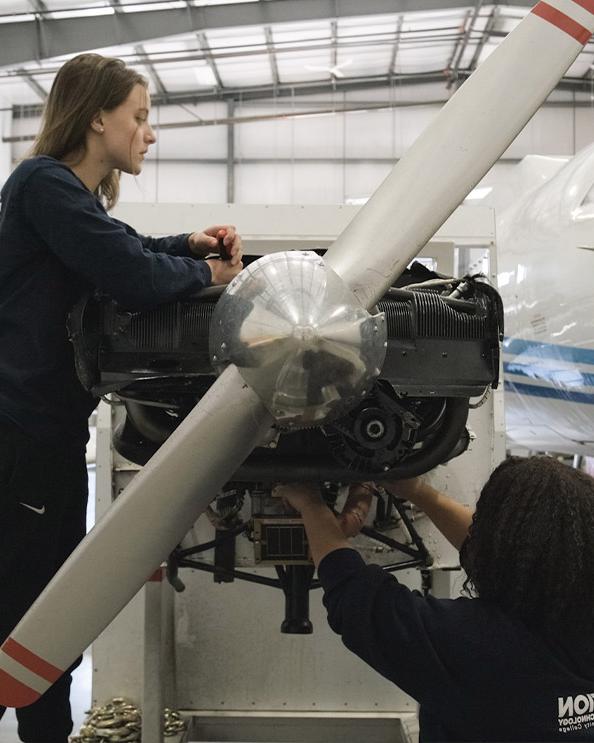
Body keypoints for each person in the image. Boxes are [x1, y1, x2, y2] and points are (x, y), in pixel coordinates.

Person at [0, 53, 243, 742]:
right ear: (98, 116)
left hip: (45, 443)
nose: (149, 133)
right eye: (140, 116)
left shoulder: (63, 200)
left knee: (53, 617)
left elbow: (122, 249)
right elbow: (127, 271)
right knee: (24, 616)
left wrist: (188, 246)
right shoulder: (43, 184)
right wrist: (203, 268)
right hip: (20, 445)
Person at [276, 456, 594, 742]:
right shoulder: (575, 617)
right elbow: (500, 554)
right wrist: (417, 491)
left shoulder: (477, 645)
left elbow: (357, 598)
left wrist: (310, 503)